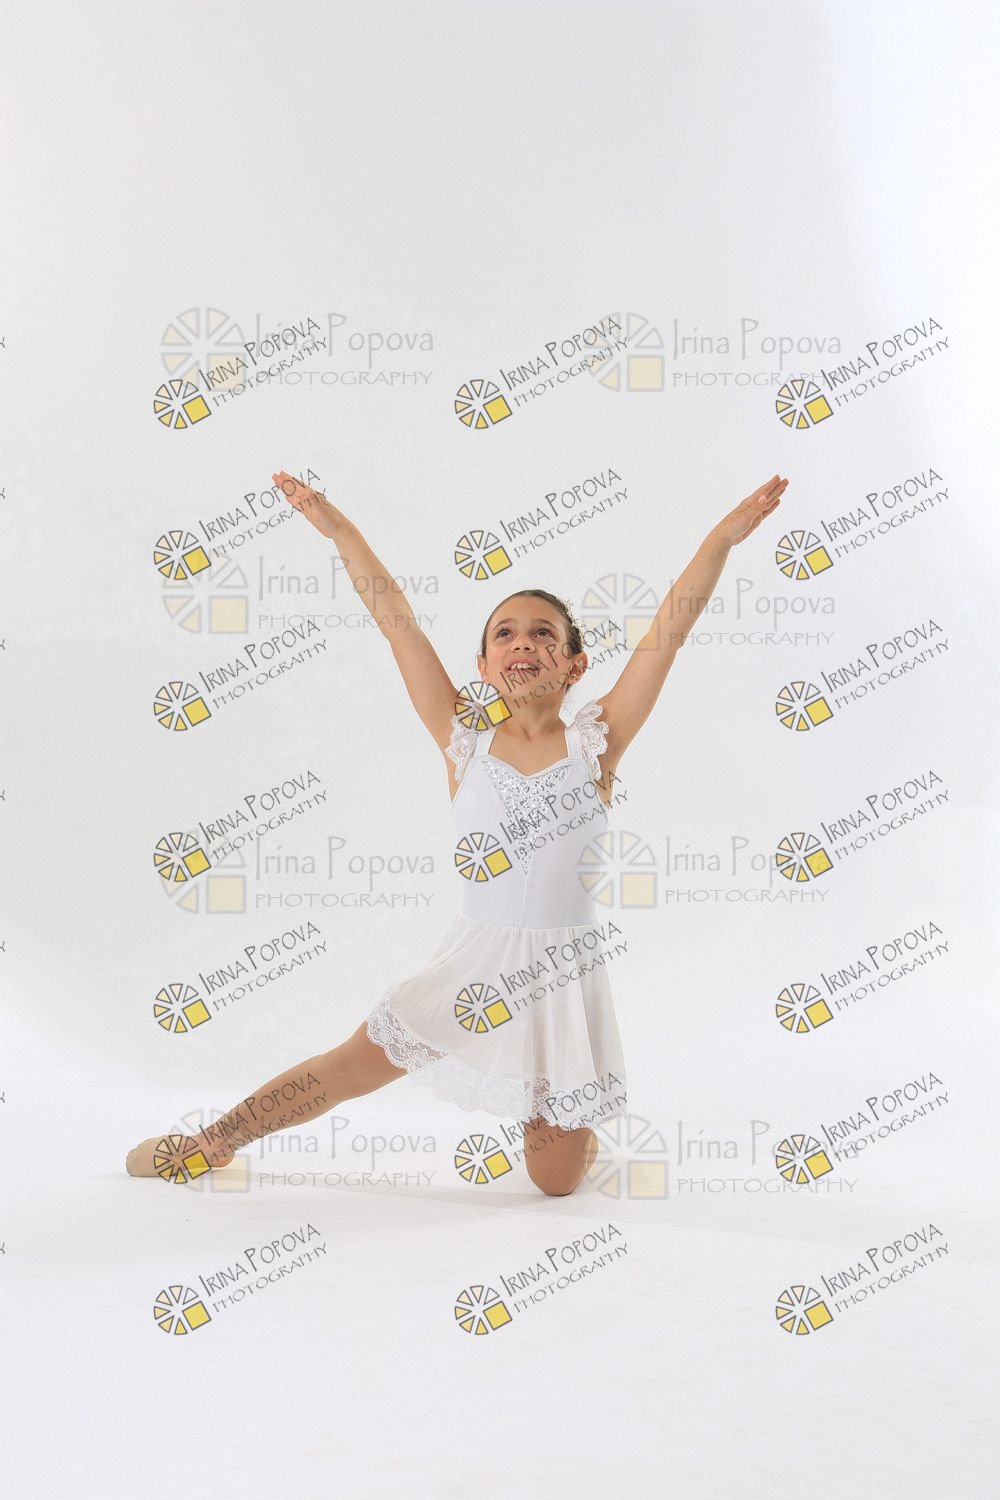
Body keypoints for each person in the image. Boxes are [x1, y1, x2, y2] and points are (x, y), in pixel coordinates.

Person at [126, 468, 787, 1195]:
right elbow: (396, 622)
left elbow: (669, 632)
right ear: (483, 665)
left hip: (561, 975)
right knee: (350, 1066)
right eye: (504, 634)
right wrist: (340, 531)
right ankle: (212, 1141)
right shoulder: (463, 739)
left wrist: (722, 539)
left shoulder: (597, 743)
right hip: (475, 964)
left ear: (575, 664)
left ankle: (565, 1127)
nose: (522, 643)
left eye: (543, 633)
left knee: (555, 1183)